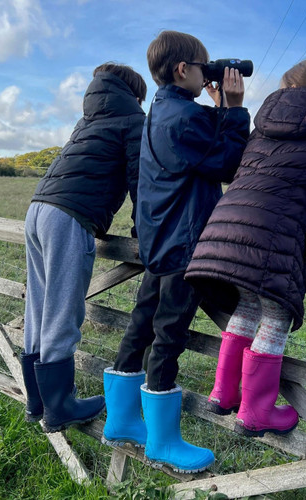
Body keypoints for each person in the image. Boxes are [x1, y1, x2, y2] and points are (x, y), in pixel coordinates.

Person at [185, 58, 306, 438]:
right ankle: (257, 411)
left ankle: (223, 393)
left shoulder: (262, 126)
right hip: (273, 236)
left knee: (247, 306)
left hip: (226, 228)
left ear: (287, 87)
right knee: (276, 317)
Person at [103, 30, 250, 473]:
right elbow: (226, 163)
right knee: (169, 338)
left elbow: (202, 155)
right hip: (185, 244)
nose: (209, 75)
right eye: (203, 68)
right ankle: (163, 441)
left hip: (159, 238)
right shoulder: (187, 118)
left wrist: (218, 106)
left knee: (141, 327)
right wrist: (237, 108)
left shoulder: (160, 112)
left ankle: (122, 420)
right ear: (183, 69)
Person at [21, 62, 147, 433]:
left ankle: (37, 400)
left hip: (37, 209)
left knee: (39, 306)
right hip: (69, 215)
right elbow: (141, 181)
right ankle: (60, 407)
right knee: (61, 309)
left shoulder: (87, 119)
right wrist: (143, 232)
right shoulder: (132, 119)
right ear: (135, 93)